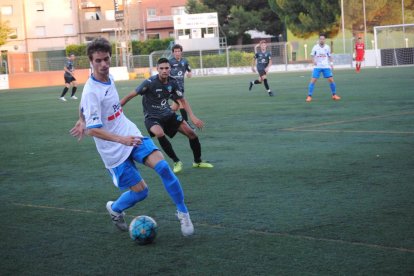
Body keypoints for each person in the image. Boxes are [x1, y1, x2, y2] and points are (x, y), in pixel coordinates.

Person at [69, 38, 194, 237]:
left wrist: (81, 118)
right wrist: (119, 139)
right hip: (113, 150)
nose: (103, 65)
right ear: (91, 62)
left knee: (163, 166)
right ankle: (115, 209)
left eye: (106, 60)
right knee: (141, 192)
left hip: (129, 132)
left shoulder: (107, 78)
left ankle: (183, 212)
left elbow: (84, 108)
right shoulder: (91, 92)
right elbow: (92, 130)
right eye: (98, 61)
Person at [120, 57, 213, 174]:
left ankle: (197, 161)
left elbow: (182, 101)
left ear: (170, 69)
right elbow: (130, 95)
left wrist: (192, 117)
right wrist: (116, 109)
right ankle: (176, 161)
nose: (164, 70)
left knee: (192, 134)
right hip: (152, 117)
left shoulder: (173, 82)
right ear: (157, 69)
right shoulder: (149, 83)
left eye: (167, 68)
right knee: (159, 133)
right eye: (162, 68)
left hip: (168, 114)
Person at [306, 34, 341, 102]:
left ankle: (334, 95)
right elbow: (312, 55)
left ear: (324, 40)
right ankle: (309, 96)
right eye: (320, 39)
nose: (322, 40)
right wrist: (313, 62)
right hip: (317, 67)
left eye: (323, 39)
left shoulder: (327, 47)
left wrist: (331, 64)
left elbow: (329, 56)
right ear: (319, 40)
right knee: (313, 80)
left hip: (326, 66)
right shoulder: (315, 47)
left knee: (331, 80)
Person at [169, 44, 192, 125]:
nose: (177, 53)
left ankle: (162, 115)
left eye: (179, 51)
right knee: (182, 103)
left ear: (181, 52)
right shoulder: (170, 62)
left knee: (174, 108)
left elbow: (189, 70)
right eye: (175, 51)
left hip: (181, 86)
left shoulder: (185, 61)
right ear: (173, 53)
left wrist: (189, 74)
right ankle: (186, 123)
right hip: (172, 87)